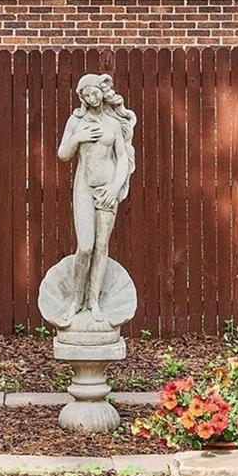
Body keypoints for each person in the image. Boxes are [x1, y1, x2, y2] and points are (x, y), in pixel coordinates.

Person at [55, 73, 135, 328]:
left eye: (95, 92)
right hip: (84, 188)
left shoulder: (112, 123)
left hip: (107, 190)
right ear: (82, 98)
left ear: (101, 91)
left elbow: (122, 158)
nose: (92, 98)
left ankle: (94, 301)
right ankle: (75, 301)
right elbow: (63, 154)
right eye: (86, 95)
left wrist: (114, 188)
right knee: (86, 246)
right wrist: (78, 138)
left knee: (101, 246)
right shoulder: (76, 122)